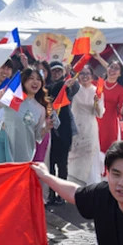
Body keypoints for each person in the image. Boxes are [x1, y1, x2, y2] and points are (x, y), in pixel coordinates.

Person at [0, 67, 51, 163]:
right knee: (1, 175)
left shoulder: (40, 109)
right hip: (4, 144)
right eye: (31, 78)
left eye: (38, 79)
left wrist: (47, 128)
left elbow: (38, 136)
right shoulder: (12, 98)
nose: (35, 82)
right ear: (24, 80)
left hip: (24, 152)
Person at [46, 62, 79, 204]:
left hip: (64, 131)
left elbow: (75, 88)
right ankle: (51, 193)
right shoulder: (46, 88)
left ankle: (63, 195)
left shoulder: (67, 87)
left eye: (59, 71)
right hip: (50, 131)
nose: (56, 73)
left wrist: (70, 78)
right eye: (54, 71)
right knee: (50, 165)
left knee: (62, 165)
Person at [68, 65, 104, 185]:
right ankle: (75, 185)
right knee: (75, 155)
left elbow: (99, 114)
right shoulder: (74, 88)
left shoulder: (97, 90)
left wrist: (96, 103)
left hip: (90, 126)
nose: (85, 76)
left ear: (92, 76)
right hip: (75, 124)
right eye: (82, 73)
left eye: (87, 73)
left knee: (90, 155)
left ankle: (92, 185)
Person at [97, 62, 123, 160]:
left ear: (120, 73)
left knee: (108, 151)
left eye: (116, 69)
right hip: (95, 121)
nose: (113, 70)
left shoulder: (121, 90)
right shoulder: (98, 84)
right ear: (107, 68)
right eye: (111, 67)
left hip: (110, 124)